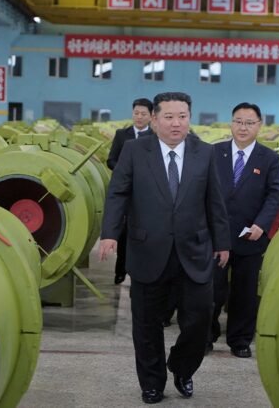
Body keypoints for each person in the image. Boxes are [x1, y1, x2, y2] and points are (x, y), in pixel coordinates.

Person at [99, 92, 230, 404]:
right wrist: (110, 233)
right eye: (169, 117)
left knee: (200, 320)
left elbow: (215, 200)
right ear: (155, 120)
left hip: (194, 251)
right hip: (148, 250)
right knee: (146, 324)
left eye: (182, 116)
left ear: (189, 118)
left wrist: (222, 242)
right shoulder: (134, 150)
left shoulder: (204, 152)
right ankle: (152, 383)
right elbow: (118, 193)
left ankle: (182, 368)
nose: (176, 123)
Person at [207, 103, 279, 358]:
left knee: (244, 292)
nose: (243, 127)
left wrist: (261, 224)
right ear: (231, 123)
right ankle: (206, 336)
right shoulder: (214, 153)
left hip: (250, 236)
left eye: (249, 123)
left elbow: (274, 195)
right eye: (238, 121)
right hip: (216, 236)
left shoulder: (270, 158)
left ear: (259, 126)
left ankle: (239, 340)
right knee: (211, 290)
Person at [106, 98, 155, 284]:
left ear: (151, 116)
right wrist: (124, 171)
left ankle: (142, 272)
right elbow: (111, 160)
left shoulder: (155, 136)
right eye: (136, 113)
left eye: (143, 114)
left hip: (147, 192)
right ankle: (120, 270)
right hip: (126, 191)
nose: (139, 117)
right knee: (124, 232)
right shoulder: (122, 135)